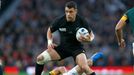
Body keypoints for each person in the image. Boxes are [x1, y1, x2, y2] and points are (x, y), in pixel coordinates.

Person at [35, 1, 95, 75]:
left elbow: (91, 34)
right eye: (66, 11)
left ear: (76, 11)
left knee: (84, 67)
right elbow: (49, 30)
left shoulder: (81, 21)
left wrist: (90, 39)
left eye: (71, 12)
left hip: (77, 49)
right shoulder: (60, 20)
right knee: (40, 58)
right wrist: (49, 41)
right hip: (63, 48)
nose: (68, 14)